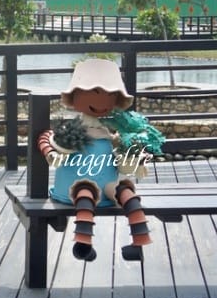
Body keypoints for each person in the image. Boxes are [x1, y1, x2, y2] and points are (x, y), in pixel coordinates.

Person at [38, 59, 164, 262]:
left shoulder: (109, 133)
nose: (102, 101)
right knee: (85, 193)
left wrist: (133, 156)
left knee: (125, 192)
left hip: (107, 183)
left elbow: (122, 153)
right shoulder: (74, 131)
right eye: (93, 92)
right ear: (75, 95)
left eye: (110, 95)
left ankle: (138, 243)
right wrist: (54, 149)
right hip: (74, 185)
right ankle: (83, 244)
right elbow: (51, 142)